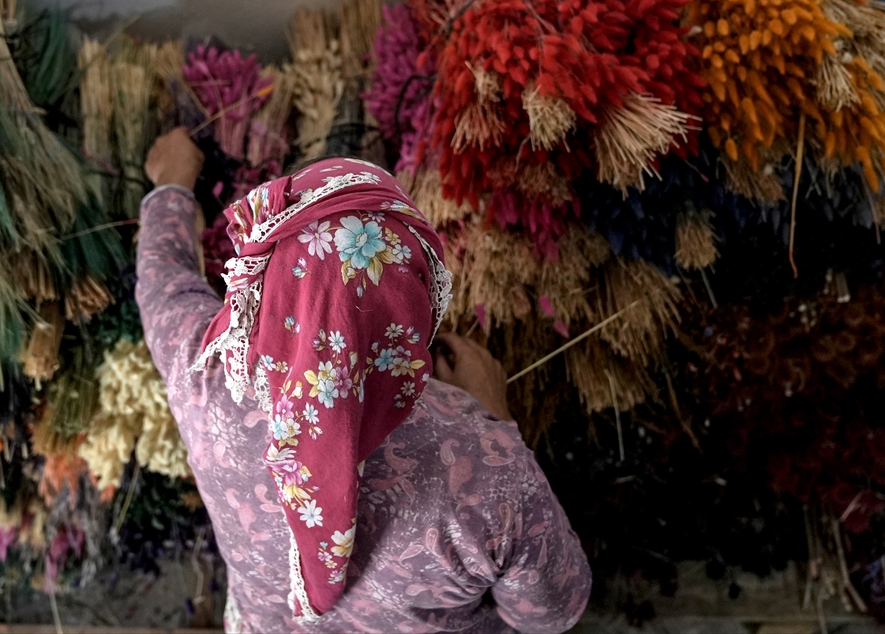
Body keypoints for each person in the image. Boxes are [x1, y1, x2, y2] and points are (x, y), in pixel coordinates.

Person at [138, 127, 591, 633]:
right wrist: (495, 417)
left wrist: (172, 184)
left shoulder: (205, 377)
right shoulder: (488, 467)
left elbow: (163, 284)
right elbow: (552, 614)